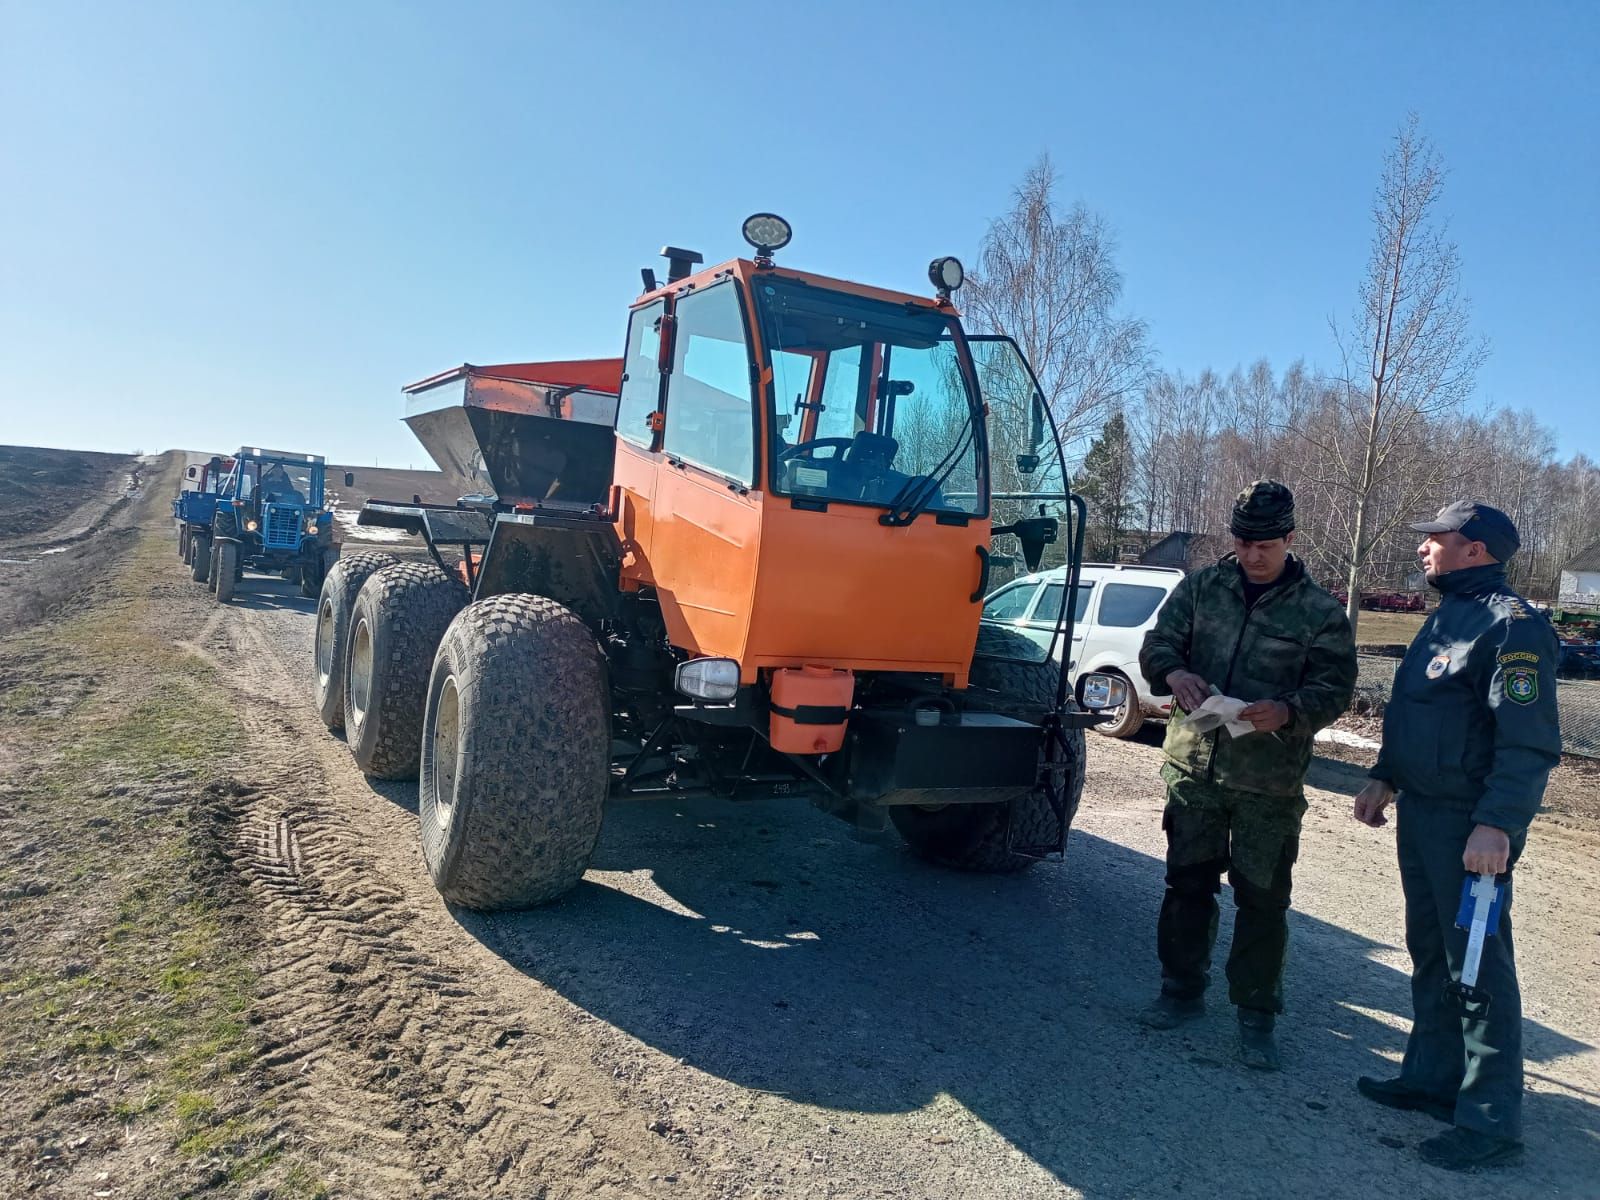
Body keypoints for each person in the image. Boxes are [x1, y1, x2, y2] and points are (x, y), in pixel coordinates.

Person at [1351, 501, 1560, 1171]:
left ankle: (1492, 1121)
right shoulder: (1446, 615)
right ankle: (1434, 1078)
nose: (1423, 548)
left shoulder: (1514, 628)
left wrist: (1498, 823)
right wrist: (1384, 777)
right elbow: (1419, 710)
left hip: (1472, 827)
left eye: (1435, 538)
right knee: (1433, 953)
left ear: (1474, 550)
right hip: (1425, 814)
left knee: (1478, 968)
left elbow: (1528, 743)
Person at [1138, 480, 1357, 1069]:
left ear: (1289, 538)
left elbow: (1334, 688)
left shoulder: (1318, 612)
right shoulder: (1202, 588)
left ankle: (1257, 1017)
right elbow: (1157, 645)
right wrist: (1174, 674)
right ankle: (1179, 993)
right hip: (1195, 769)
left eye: (1265, 543)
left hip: (1268, 782)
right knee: (1187, 888)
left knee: (1263, 902)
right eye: (1242, 542)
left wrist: (1288, 711)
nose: (1253, 554)